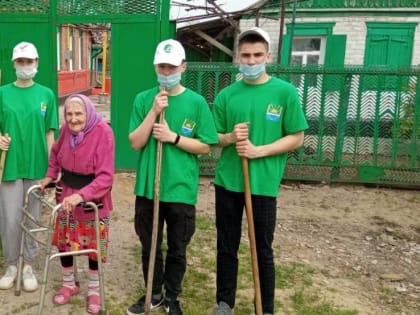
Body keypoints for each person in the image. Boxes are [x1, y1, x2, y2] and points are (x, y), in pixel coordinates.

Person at [212, 27, 309, 315]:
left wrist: (259, 151)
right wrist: (230, 137)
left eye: (257, 55)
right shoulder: (227, 95)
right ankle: (224, 303)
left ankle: (264, 307)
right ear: (237, 58)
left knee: (262, 249)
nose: (251, 61)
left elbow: (297, 136)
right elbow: (212, 136)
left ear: (268, 56)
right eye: (246, 56)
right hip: (228, 182)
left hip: (263, 184)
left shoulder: (284, 92)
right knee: (226, 246)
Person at [126, 39, 218, 315]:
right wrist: (154, 113)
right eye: (161, 67)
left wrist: (173, 138)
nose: (166, 72)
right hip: (148, 189)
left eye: (171, 67)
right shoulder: (144, 99)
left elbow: (205, 145)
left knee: (177, 247)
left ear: (183, 67)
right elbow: (135, 142)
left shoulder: (197, 102)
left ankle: (172, 297)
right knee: (149, 244)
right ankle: (153, 293)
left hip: (179, 187)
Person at [39, 94, 114, 314]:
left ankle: (93, 290)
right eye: (69, 114)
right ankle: (69, 284)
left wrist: (82, 196)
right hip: (66, 195)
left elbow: (106, 177)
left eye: (78, 113)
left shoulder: (103, 132)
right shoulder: (65, 131)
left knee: (92, 247)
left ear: (88, 112)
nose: (73, 119)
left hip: (92, 200)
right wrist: (50, 176)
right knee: (65, 243)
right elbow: (54, 155)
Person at [0, 41, 58, 292]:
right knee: (11, 219)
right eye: (20, 62)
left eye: (29, 62)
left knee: (33, 218)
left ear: (37, 64)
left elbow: (49, 135)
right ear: (14, 64)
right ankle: (12, 264)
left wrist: (52, 170)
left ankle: (28, 266)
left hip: (37, 167)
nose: (25, 66)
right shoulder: (2, 93)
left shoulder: (46, 94)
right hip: (10, 166)